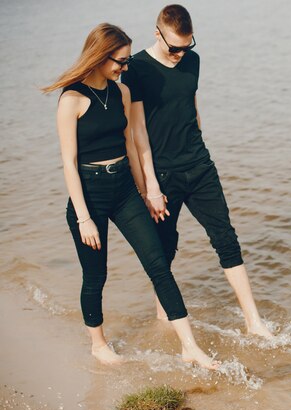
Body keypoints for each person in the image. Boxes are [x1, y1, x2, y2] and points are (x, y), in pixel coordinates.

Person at [42, 23, 220, 368]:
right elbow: (68, 162)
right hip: (89, 195)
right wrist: (83, 218)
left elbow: (130, 145)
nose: (125, 69)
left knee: (159, 266)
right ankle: (98, 344)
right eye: (120, 62)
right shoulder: (71, 99)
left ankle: (189, 346)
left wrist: (144, 192)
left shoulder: (120, 92)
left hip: (124, 188)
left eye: (125, 63)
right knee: (96, 276)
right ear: (99, 55)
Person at [122, 5, 273, 338]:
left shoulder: (193, 61)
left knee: (226, 239)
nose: (180, 54)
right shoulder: (136, 70)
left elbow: (191, 108)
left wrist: (199, 146)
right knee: (164, 247)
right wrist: (150, 186)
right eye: (174, 47)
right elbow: (137, 132)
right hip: (163, 174)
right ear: (157, 33)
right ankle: (163, 317)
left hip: (199, 166)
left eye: (186, 47)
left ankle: (254, 322)